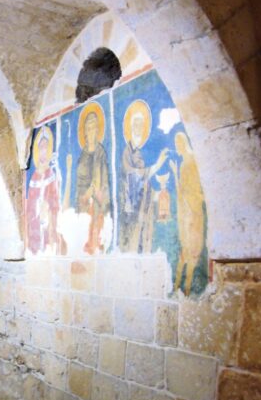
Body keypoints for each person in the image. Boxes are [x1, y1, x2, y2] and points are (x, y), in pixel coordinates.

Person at [118, 101, 169, 254]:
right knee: (133, 241)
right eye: (136, 124)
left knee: (144, 239)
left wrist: (156, 194)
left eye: (141, 125)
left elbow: (144, 182)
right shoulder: (127, 152)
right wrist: (157, 165)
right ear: (131, 127)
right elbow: (133, 175)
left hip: (143, 206)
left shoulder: (139, 152)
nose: (138, 128)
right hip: (131, 207)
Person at [170, 132, 205, 294]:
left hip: (193, 213)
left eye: (177, 144)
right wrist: (175, 173)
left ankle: (186, 288)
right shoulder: (185, 163)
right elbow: (181, 192)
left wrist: (191, 202)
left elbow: (194, 191)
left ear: (182, 144)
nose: (176, 148)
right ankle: (179, 287)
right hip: (187, 213)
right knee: (185, 252)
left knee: (190, 253)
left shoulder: (191, 162)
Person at [75, 102, 111, 255]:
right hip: (83, 204)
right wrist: (83, 197)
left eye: (94, 127)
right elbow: (79, 184)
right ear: (84, 132)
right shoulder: (82, 156)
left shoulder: (100, 152)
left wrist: (95, 192)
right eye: (88, 128)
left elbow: (103, 180)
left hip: (97, 203)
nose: (91, 131)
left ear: (98, 130)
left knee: (95, 235)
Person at [26, 126, 65, 255]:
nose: (43, 151)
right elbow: (29, 206)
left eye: (46, 148)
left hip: (48, 225)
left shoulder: (51, 174)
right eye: (41, 148)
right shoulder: (34, 177)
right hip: (34, 226)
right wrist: (37, 208)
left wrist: (48, 206)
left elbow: (55, 201)